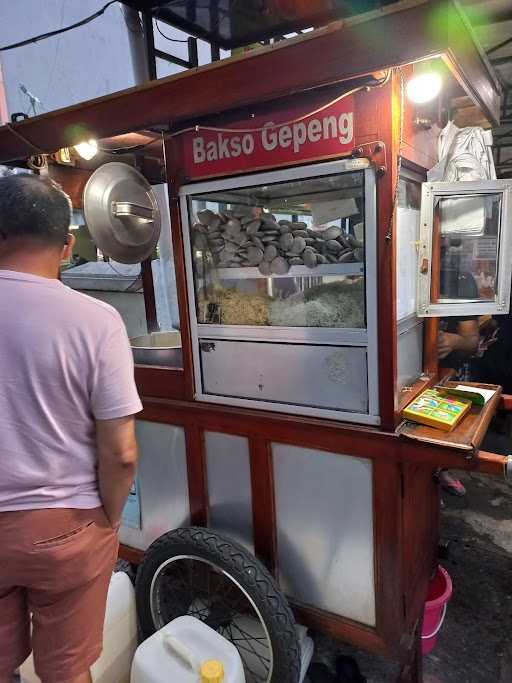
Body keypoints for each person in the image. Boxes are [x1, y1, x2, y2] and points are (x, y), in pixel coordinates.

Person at [0, 174, 142, 683]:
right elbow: (121, 453)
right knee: (66, 670)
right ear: (67, 245)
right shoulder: (96, 321)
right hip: (66, 526)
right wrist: (106, 518)